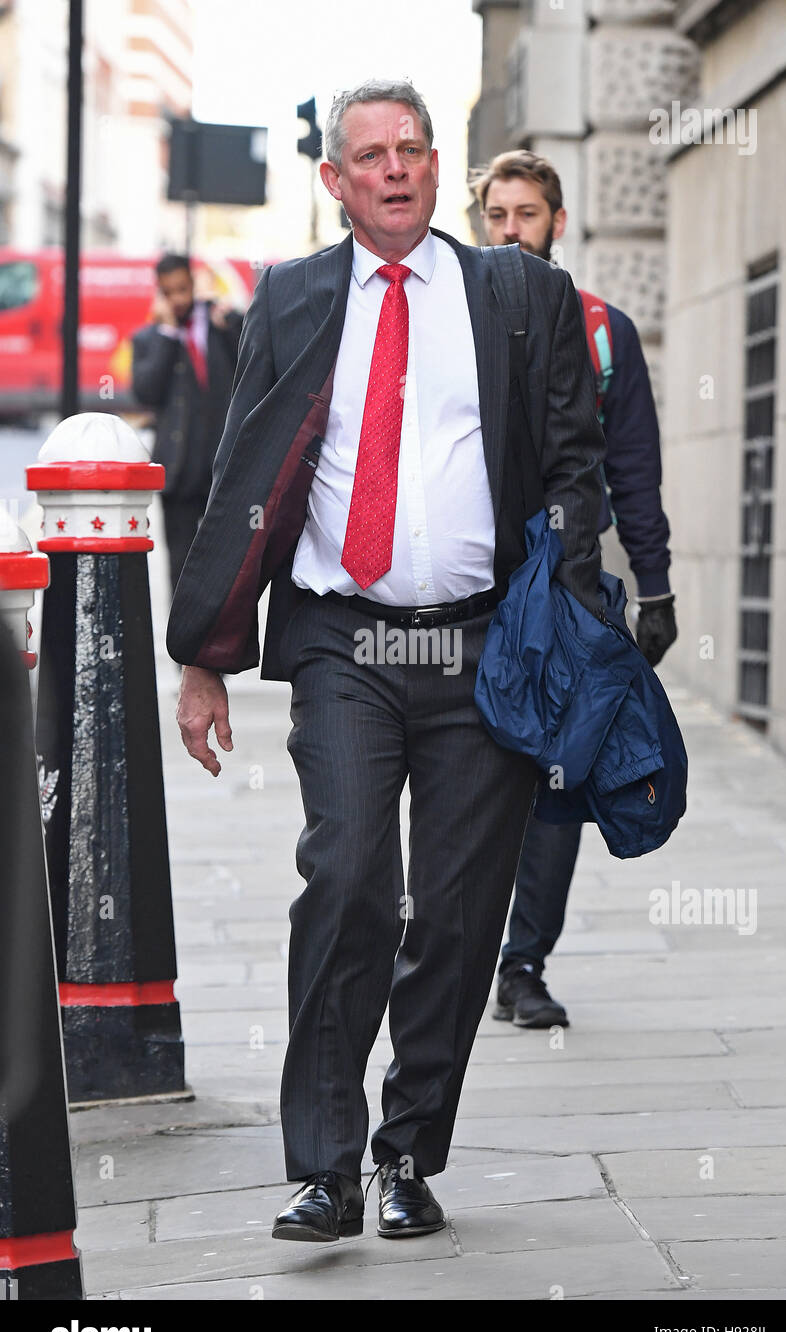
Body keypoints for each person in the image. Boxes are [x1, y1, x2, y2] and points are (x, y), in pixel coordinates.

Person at [167, 80, 607, 1243]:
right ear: (336, 181)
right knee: (352, 876)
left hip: (480, 649)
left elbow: (574, 466)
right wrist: (208, 653)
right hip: (343, 640)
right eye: (372, 155)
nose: (397, 168)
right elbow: (242, 476)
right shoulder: (296, 297)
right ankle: (324, 1164)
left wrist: (567, 616)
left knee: (458, 914)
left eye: (414, 148)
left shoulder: (520, 296)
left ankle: (410, 1152)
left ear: (433, 162)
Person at [474, 149, 677, 1029]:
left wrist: (657, 589)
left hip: (568, 588)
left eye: (528, 213)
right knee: (470, 772)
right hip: (471, 591)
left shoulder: (603, 332)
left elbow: (635, 471)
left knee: (561, 773)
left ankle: (523, 964)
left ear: (558, 221)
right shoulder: (454, 318)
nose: (511, 229)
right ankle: (450, 946)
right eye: (497, 215)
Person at [131, 253, 243, 597]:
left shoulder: (221, 321)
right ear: (159, 293)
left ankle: (225, 637)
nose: (178, 298)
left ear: (193, 284)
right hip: (178, 470)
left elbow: (252, 364)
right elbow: (145, 393)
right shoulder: (150, 338)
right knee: (179, 561)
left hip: (222, 465)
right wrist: (167, 334)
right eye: (169, 292)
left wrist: (231, 323)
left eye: (182, 288)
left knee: (228, 561)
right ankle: (183, 639)